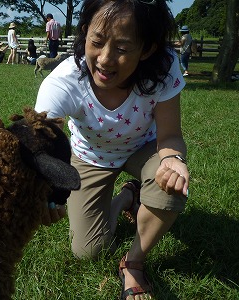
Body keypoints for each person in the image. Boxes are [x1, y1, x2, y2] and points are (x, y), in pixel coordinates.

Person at [35, 1, 189, 299]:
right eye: (97, 41)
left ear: (146, 49)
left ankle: (134, 263)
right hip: (90, 156)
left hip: (143, 148)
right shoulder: (65, 80)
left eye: (122, 47)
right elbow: (40, 142)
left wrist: (173, 159)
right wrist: (43, 186)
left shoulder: (163, 66)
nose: (104, 59)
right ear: (85, 33)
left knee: (169, 187)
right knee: (88, 251)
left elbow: (170, 135)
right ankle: (127, 198)